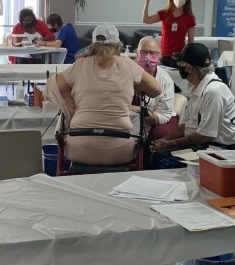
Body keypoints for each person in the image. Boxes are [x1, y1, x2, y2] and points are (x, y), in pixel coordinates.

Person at [47, 23, 160, 166]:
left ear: (92, 45)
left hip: (79, 147)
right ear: (118, 46)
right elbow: (156, 89)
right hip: (121, 149)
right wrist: (133, 87)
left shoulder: (80, 64)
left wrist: (71, 104)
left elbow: (53, 85)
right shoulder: (128, 64)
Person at [150, 43, 235, 151]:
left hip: (215, 149)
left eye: (181, 63)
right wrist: (164, 140)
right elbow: (185, 126)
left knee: (160, 158)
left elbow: (205, 135)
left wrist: (170, 143)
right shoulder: (196, 89)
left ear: (188, 68)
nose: (179, 66)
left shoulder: (213, 92)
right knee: (156, 151)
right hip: (201, 143)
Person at [132, 36, 177, 141]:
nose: (148, 57)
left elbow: (164, 115)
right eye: (143, 52)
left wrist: (139, 110)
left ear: (159, 56)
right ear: (137, 54)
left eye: (152, 53)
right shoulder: (127, 72)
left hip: (159, 116)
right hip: (130, 117)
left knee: (158, 134)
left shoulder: (166, 80)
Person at [141, 0, 196, 66]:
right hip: (163, 55)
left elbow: (191, 42)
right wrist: (147, 0)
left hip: (179, 56)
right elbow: (146, 20)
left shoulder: (190, 18)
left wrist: (189, 60)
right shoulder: (164, 13)